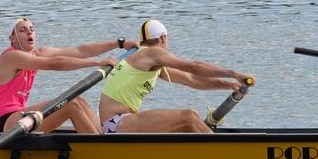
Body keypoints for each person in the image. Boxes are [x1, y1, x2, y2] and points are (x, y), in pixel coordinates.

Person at [98, 19, 253, 133]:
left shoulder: (145, 59)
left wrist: (228, 85)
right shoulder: (153, 52)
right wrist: (234, 74)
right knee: (189, 116)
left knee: (188, 121)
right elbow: (194, 67)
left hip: (117, 123)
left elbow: (191, 79)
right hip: (116, 124)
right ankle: (225, 153)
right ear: (163, 38)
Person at [0, 17, 132, 134]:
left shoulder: (37, 53)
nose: (29, 33)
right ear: (13, 39)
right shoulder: (11, 57)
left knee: (80, 100)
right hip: (3, 123)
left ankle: (101, 139)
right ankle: (99, 151)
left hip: (21, 119)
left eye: (32, 29)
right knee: (70, 104)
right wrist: (97, 63)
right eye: (22, 30)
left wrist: (119, 43)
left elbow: (80, 50)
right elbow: (55, 63)